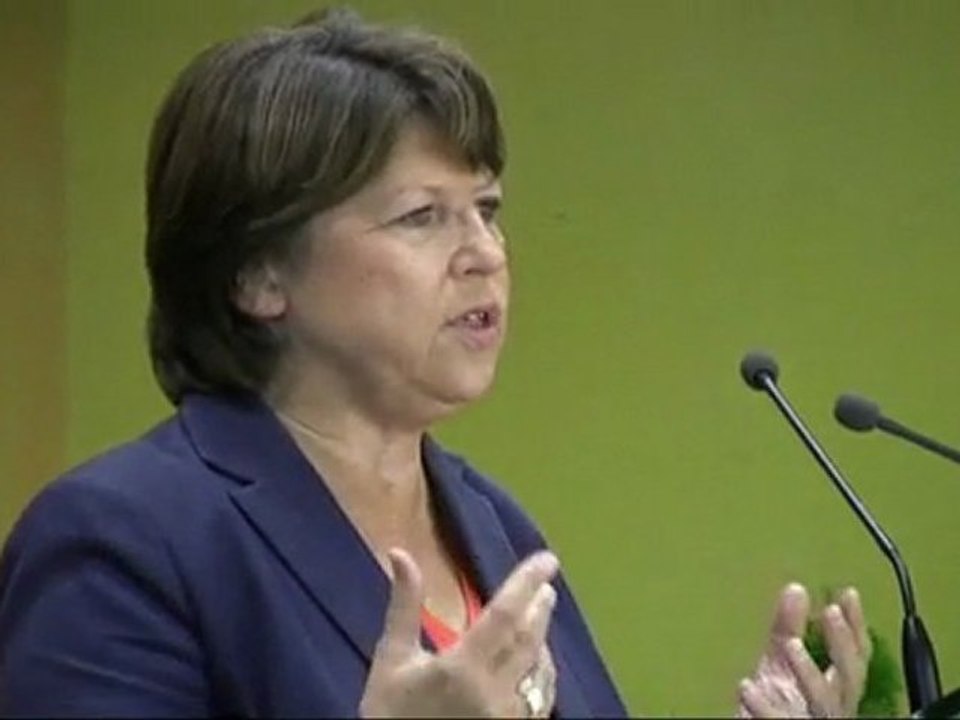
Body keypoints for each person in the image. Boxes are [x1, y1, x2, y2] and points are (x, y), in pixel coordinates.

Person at [0, 8, 871, 717]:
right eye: (422, 216)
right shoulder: (122, 543)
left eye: (486, 209)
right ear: (258, 274)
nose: (485, 252)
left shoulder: (494, 525)